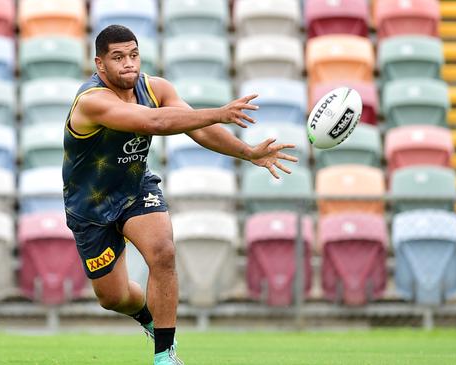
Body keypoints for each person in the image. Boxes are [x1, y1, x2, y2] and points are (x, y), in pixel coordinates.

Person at [62, 25, 298, 365]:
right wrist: (218, 111)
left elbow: (195, 127)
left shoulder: (156, 88)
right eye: (118, 58)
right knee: (113, 297)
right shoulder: (92, 102)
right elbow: (154, 123)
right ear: (100, 64)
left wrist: (247, 152)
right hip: (90, 206)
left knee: (163, 252)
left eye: (133, 55)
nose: (128, 64)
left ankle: (164, 355)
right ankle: (146, 317)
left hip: (135, 189)